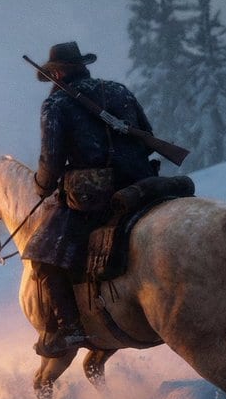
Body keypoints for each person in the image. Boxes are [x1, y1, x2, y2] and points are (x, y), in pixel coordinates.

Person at [23, 42, 158, 358]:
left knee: (41, 254)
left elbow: (52, 159)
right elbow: (147, 135)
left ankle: (70, 329)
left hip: (95, 195)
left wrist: (42, 187)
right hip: (141, 181)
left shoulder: (55, 104)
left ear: (56, 72)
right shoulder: (118, 90)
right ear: (81, 66)